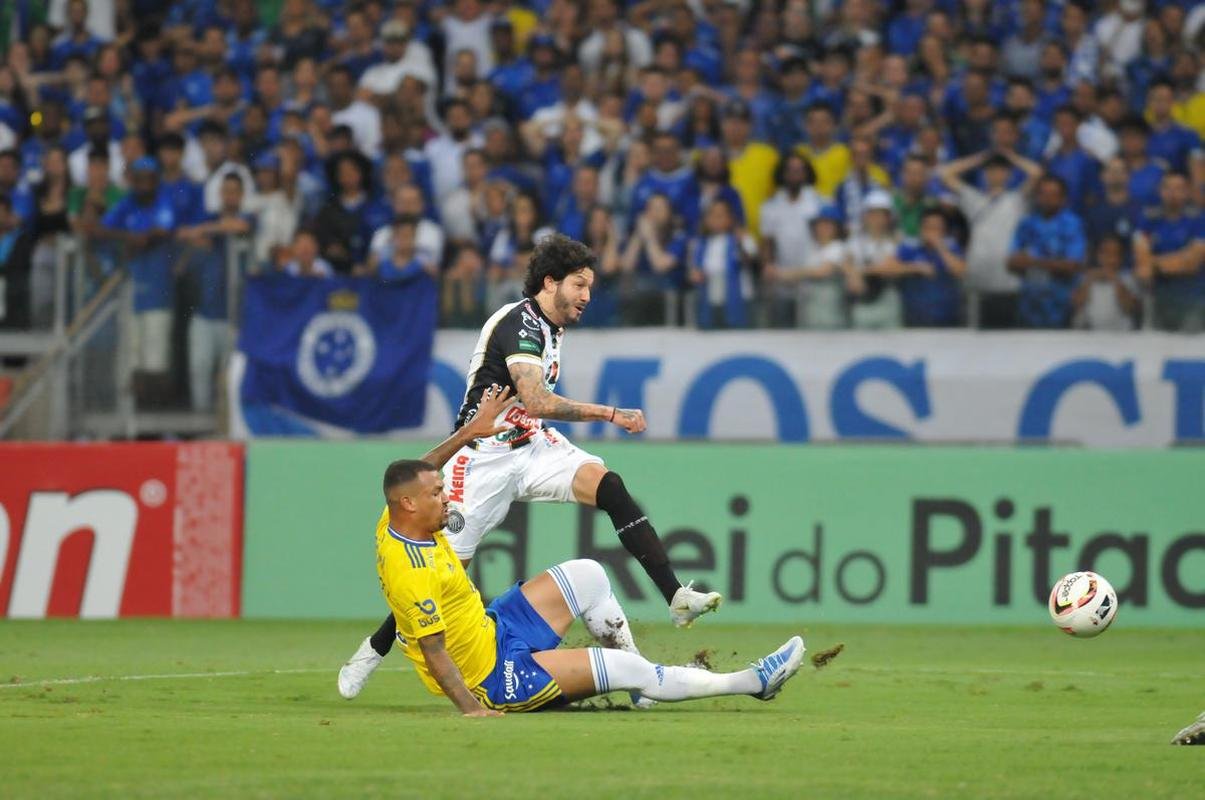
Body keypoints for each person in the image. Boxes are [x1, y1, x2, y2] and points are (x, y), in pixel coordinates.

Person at [339, 234, 723, 700]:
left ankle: (676, 597)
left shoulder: (552, 329)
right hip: (481, 460)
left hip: (532, 446)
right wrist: (610, 413)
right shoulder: (520, 322)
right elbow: (538, 400)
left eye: (590, 287)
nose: (587, 296)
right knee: (444, 576)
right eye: (579, 285)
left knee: (610, 487)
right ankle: (372, 651)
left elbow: (531, 410)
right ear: (549, 282)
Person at [374, 393, 805, 715]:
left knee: (589, 575)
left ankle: (640, 684)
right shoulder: (410, 572)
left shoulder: (394, 518)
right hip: (493, 677)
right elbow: (432, 650)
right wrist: (473, 709)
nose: (446, 497)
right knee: (627, 668)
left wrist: (469, 432)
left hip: (495, 629)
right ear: (410, 504)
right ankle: (750, 681)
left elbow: (419, 470)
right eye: (436, 494)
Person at [86, 156, 177, 407]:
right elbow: (98, 229)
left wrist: (137, 239)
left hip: (159, 295)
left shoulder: (163, 201)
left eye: (149, 179)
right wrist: (129, 237)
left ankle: (156, 421)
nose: (144, 185)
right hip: (130, 294)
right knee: (130, 361)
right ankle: (131, 422)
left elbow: (160, 231)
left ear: (156, 181)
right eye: (139, 179)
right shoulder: (127, 204)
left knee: (156, 362)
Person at [938, 150, 1042, 328]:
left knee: (1009, 334)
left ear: (1008, 174)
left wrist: (1010, 156)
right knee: (977, 332)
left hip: (1008, 280)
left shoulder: (1016, 199)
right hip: (978, 278)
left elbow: (1036, 173)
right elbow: (944, 173)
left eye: (1001, 170)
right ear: (985, 173)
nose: (996, 174)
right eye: (991, 170)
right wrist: (979, 158)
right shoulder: (973, 198)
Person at [1008, 174, 1088, 329]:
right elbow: (1011, 262)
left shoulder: (1072, 224)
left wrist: (1033, 262)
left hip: (1062, 301)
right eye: (1043, 194)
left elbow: (1072, 265)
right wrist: (1053, 263)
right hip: (1029, 302)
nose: (1047, 199)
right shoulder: (1027, 223)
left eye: (1053, 195)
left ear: (1063, 198)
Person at [1133, 172, 1205, 332]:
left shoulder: (1200, 219)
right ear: (1160, 191)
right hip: (1157, 296)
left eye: (1179, 188)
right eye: (1167, 188)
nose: (1173, 193)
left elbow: (1193, 263)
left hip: (1193, 296)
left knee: (1190, 349)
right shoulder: (1148, 218)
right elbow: (1142, 265)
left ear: (1187, 192)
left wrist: (1155, 264)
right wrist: (1179, 259)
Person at [897, 208, 966, 327]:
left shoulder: (951, 247)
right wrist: (915, 268)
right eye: (929, 227)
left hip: (948, 318)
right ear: (921, 228)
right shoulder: (910, 247)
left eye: (937, 228)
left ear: (944, 231)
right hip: (914, 318)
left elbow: (961, 271)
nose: (932, 232)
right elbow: (887, 267)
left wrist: (940, 246)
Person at [848, 190, 905, 330]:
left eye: (881, 214)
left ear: (889, 217)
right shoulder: (855, 242)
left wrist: (862, 271)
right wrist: (853, 275)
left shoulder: (898, 241)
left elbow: (891, 268)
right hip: (863, 301)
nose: (876, 219)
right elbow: (847, 262)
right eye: (872, 214)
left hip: (888, 298)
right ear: (865, 216)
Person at [1071, 235, 1139, 332]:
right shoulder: (1085, 277)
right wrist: (1088, 282)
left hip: (1120, 334)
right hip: (1088, 335)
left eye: (1115, 254)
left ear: (1121, 258)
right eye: (1106, 253)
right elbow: (1076, 304)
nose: (1110, 258)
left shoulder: (1128, 279)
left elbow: (1129, 308)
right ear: (1098, 255)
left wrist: (1116, 281)